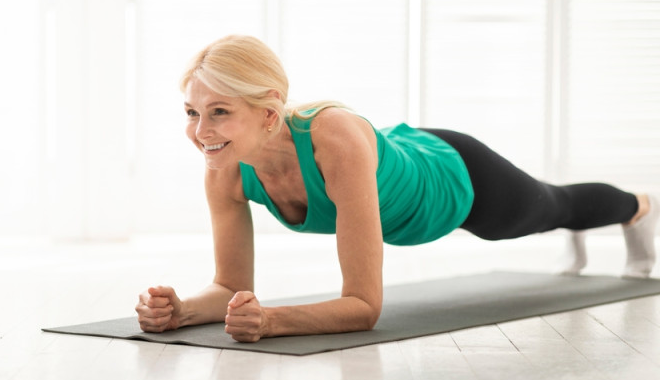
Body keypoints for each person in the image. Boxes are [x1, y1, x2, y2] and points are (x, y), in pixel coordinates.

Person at [135, 35, 658, 343]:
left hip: (455, 178)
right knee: (555, 210)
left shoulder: (332, 138)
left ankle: (638, 209)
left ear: (270, 113)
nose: (199, 132)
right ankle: (596, 222)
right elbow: (228, 287)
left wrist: (271, 319)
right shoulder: (223, 166)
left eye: (219, 113)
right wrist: (182, 311)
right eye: (191, 113)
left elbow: (363, 306)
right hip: (396, 157)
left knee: (551, 207)